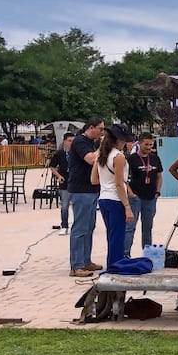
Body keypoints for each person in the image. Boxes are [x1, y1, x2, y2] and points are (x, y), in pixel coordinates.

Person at [91, 124, 135, 271]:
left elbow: (94, 180)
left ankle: (113, 264)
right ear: (118, 140)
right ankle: (115, 267)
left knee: (111, 235)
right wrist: (127, 206)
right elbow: (118, 184)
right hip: (116, 199)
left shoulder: (101, 155)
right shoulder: (118, 156)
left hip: (103, 198)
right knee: (117, 236)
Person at [68, 118, 104, 278]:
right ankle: (76, 265)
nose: (102, 132)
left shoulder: (91, 142)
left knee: (89, 227)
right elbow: (91, 159)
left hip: (92, 189)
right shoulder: (80, 142)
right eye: (100, 129)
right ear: (91, 127)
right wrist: (103, 146)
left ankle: (85, 260)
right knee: (80, 228)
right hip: (81, 189)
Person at [124, 132, 163, 257]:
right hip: (135, 197)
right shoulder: (131, 159)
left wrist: (157, 191)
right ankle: (125, 254)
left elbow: (159, 176)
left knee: (147, 228)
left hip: (151, 197)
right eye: (146, 144)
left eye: (150, 144)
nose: (148, 147)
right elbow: (124, 179)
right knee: (130, 227)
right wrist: (130, 193)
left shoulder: (155, 158)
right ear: (139, 143)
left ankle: (147, 254)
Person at [48, 132, 73, 235]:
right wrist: (58, 176)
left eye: (73, 141)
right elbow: (52, 166)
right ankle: (64, 225)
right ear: (64, 141)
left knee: (77, 207)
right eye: (69, 141)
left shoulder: (76, 152)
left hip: (76, 182)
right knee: (64, 206)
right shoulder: (59, 153)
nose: (71, 143)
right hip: (65, 182)